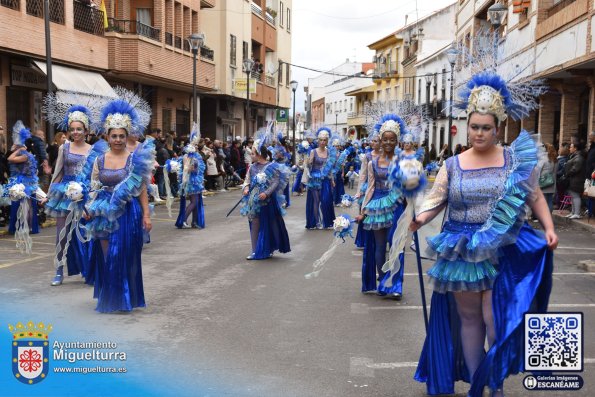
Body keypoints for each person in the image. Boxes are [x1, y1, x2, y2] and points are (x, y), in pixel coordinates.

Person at [411, 71, 557, 397]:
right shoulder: (452, 165)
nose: (479, 133)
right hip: (462, 247)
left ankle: (496, 383)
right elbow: (436, 201)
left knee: (494, 318)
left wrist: (548, 228)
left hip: (503, 246)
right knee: (469, 318)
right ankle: (479, 383)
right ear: (467, 126)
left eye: (486, 128)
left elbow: (534, 197)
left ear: (498, 127)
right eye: (474, 127)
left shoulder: (514, 161)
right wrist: (419, 218)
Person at [84, 98, 154, 313]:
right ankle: (112, 296)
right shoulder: (99, 160)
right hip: (104, 212)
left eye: (121, 136)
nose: (118, 140)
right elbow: (93, 186)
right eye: (114, 136)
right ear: (107, 136)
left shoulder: (135, 160)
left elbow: (141, 188)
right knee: (108, 256)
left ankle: (125, 297)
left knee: (124, 255)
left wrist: (146, 215)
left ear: (127, 136)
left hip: (128, 212)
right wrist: (88, 207)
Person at [45, 104, 108, 286]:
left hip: (86, 195)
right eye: (72, 129)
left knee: (87, 233)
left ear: (86, 130)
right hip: (65, 194)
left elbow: (96, 177)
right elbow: (58, 173)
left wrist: (97, 197)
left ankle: (90, 269)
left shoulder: (94, 150)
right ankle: (58, 270)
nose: (76, 132)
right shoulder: (64, 148)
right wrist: (49, 195)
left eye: (79, 129)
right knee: (61, 234)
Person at [355, 115, 407, 298]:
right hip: (377, 206)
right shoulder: (372, 163)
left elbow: (410, 188)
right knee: (379, 246)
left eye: (392, 140)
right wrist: (362, 211)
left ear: (397, 141)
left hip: (396, 206)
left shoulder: (403, 162)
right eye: (385, 139)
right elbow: (370, 188)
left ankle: (395, 284)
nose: (388, 143)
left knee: (396, 245)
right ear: (380, 139)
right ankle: (384, 281)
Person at [241, 128, 290, 260]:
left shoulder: (272, 166)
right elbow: (247, 180)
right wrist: (245, 188)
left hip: (267, 200)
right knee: (254, 223)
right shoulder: (252, 167)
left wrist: (267, 193)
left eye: (252, 153)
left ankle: (268, 247)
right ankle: (255, 251)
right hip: (254, 200)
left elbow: (275, 182)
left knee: (269, 224)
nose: (250, 156)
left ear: (259, 154)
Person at [6, 122, 45, 251]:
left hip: (25, 183)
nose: (13, 146)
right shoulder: (27, 155)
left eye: (15, 144)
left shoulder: (24, 155)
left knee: (22, 205)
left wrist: (17, 149)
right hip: (28, 182)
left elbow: (10, 158)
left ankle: (22, 227)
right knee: (27, 205)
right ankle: (28, 226)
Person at [305, 127, 336, 229]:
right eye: (321, 140)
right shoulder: (313, 151)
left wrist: (332, 180)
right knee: (316, 201)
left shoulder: (329, 152)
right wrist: (308, 163)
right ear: (318, 140)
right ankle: (316, 222)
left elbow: (330, 167)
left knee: (326, 200)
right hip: (315, 179)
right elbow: (309, 166)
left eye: (324, 140)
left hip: (325, 179)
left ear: (327, 141)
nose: (322, 142)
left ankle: (327, 222)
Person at [176, 124, 206, 229]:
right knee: (194, 202)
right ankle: (183, 219)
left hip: (196, 180)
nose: (197, 147)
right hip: (191, 181)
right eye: (195, 145)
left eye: (197, 145)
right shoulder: (187, 156)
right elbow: (186, 168)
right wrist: (193, 169)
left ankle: (195, 222)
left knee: (196, 201)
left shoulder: (195, 156)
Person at [563, 142, 585, 219]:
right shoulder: (574, 156)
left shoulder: (578, 157)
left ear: (575, 148)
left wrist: (568, 173)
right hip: (572, 179)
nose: (569, 148)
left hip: (577, 180)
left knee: (575, 196)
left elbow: (575, 169)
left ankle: (577, 213)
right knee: (572, 196)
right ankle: (573, 212)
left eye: (571, 147)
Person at [538, 143, 557, 214]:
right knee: (549, 201)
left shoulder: (543, 159)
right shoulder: (554, 160)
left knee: (544, 202)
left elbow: (538, 172)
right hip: (551, 182)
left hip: (543, 183)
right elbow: (555, 173)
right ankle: (549, 216)